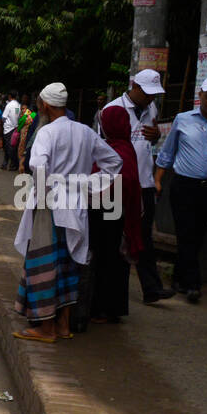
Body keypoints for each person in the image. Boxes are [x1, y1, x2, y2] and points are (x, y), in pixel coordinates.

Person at [13, 82, 122, 342]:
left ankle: (46, 327)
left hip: (51, 204)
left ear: (46, 106)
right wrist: (88, 186)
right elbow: (114, 162)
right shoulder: (85, 131)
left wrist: (42, 195)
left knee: (44, 262)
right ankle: (63, 325)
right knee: (69, 263)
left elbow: (37, 165)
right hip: (76, 206)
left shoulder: (47, 133)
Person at [153, 74, 207, 304]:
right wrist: (158, 179)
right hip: (183, 185)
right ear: (200, 94)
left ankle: (179, 279)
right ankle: (193, 285)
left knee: (197, 235)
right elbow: (167, 152)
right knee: (185, 232)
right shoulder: (182, 119)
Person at [103, 69, 170, 302]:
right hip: (120, 184)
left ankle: (151, 288)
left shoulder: (151, 108)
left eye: (154, 94)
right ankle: (113, 292)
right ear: (134, 86)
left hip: (144, 182)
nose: (151, 98)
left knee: (143, 237)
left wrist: (155, 136)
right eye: (147, 93)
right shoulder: (112, 110)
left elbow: (149, 142)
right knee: (118, 238)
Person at [89, 105, 144, 323]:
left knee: (105, 260)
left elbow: (122, 180)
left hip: (109, 212)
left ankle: (104, 309)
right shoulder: (124, 147)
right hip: (116, 211)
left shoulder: (115, 150)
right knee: (114, 261)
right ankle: (112, 308)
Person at [1, 91, 21, 170]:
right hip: (15, 128)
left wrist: (4, 122)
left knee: (8, 147)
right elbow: (17, 116)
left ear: (9, 96)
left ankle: (12, 163)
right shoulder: (18, 105)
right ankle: (8, 163)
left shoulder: (9, 105)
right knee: (13, 146)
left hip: (8, 128)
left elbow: (3, 117)